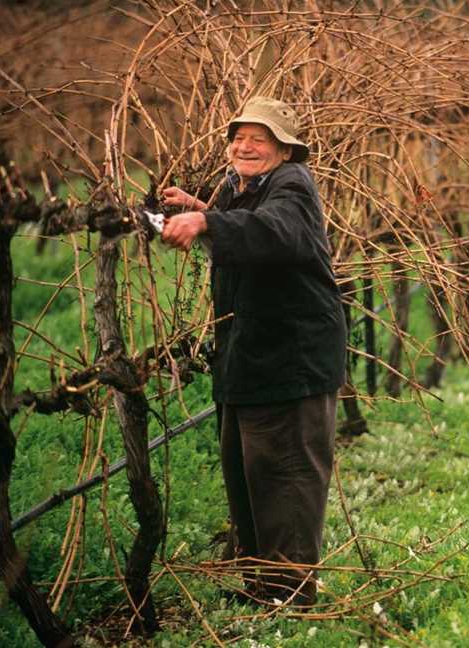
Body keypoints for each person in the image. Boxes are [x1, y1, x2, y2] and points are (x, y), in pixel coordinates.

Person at [161, 96, 346, 607]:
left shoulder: (293, 186)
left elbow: (277, 230)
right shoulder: (239, 186)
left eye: (259, 139)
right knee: (248, 477)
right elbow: (249, 227)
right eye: (238, 137)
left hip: (292, 360)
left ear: (285, 150)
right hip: (251, 359)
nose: (245, 146)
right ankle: (263, 587)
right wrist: (204, 212)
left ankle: (290, 597)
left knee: (285, 479)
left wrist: (208, 225)